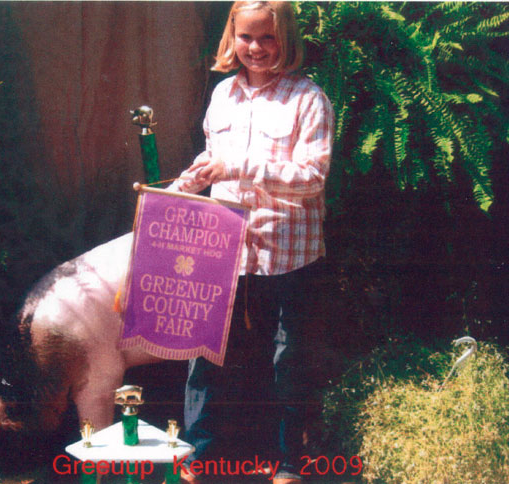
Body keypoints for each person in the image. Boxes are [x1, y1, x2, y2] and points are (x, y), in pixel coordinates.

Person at [169, 2, 334, 483]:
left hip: (288, 254)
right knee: (207, 355)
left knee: (287, 359)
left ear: (287, 40)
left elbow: (311, 178)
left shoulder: (309, 99)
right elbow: (213, 156)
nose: (256, 48)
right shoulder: (223, 94)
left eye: (268, 39)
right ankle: (200, 456)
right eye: (246, 38)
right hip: (223, 248)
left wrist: (238, 168)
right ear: (232, 38)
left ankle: (287, 463)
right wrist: (185, 184)